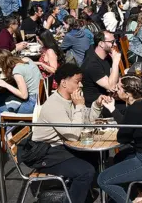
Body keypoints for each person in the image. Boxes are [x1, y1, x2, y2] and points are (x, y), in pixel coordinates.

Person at [32, 63, 105, 203]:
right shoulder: (54, 105)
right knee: (86, 171)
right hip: (44, 153)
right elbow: (74, 134)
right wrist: (79, 106)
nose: (81, 85)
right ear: (64, 83)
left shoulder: (70, 99)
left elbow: (86, 121)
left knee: (95, 156)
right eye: (77, 81)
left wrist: (96, 105)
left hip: (60, 148)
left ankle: (78, 194)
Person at [98, 76, 142, 203]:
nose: (116, 90)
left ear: (127, 94)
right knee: (119, 157)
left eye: (119, 88)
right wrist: (112, 109)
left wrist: (117, 119)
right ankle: (139, 192)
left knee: (102, 179)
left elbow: (122, 138)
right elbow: (128, 125)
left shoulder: (134, 109)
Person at [0, 50, 42, 122]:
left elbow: (24, 95)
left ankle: (4, 132)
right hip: (41, 98)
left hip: (32, 104)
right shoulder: (27, 60)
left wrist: (5, 85)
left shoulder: (17, 71)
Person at [81, 31, 121, 110]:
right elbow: (111, 86)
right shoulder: (92, 64)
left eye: (115, 41)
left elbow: (114, 80)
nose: (115, 45)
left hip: (109, 99)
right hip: (96, 105)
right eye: (112, 42)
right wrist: (115, 62)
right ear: (101, 44)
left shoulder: (107, 56)